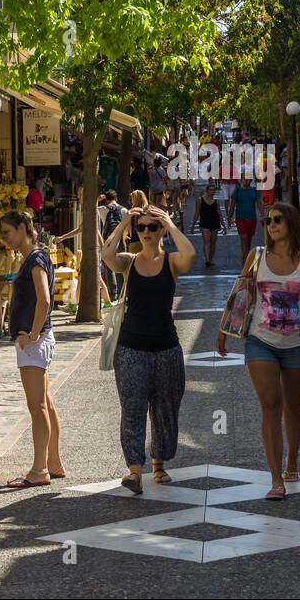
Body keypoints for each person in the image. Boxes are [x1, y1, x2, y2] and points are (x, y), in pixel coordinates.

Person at [215, 202, 300, 502]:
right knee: (270, 405)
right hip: (259, 340)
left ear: (290, 223)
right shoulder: (257, 256)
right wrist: (223, 329)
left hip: (297, 344)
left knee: (293, 406)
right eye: (268, 221)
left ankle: (292, 459)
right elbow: (241, 293)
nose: (272, 225)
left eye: (277, 220)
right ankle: (276, 479)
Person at [102, 204, 196, 493]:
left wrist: (169, 221)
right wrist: (123, 223)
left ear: (161, 231)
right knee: (132, 408)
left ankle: (159, 463)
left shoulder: (172, 262)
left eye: (151, 227)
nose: (145, 232)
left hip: (166, 347)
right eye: (140, 227)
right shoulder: (129, 261)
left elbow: (190, 254)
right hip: (130, 347)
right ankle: (134, 471)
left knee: (165, 409)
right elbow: (106, 255)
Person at [0, 210, 65, 487]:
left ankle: (39, 471)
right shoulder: (36, 256)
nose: (5, 240)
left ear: (23, 227)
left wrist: (33, 334)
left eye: (7, 233)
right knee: (45, 402)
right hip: (37, 340)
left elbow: (45, 301)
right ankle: (53, 463)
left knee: (37, 406)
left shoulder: (35, 258)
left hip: (34, 342)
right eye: (2, 236)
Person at [190, 182, 223, 266]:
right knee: (207, 242)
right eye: (210, 190)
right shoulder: (200, 200)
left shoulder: (216, 202)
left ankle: (211, 259)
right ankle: (207, 259)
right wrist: (193, 225)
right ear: (207, 191)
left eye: (213, 190)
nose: (212, 192)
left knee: (213, 242)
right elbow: (197, 213)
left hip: (215, 223)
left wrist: (224, 226)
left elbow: (219, 214)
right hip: (204, 222)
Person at [102, 190, 128, 297]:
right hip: (121, 240)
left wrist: (98, 199)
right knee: (123, 265)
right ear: (116, 199)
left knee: (110, 267)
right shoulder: (124, 210)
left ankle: (113, 294)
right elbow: (127, 227)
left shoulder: (102, 209)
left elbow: (90, 209)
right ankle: (123, 292)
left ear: (106, 200)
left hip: (109, 240)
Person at [232, 176, 261, 260]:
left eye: (247, 178)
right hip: (240, 217)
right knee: (243, 237)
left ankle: (246, 253)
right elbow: (232, 204)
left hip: (252, 217)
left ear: (251, 180)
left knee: (249, 238)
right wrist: (229, 217)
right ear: (241, 180)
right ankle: (245, 256)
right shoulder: (237, 190)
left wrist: (263, 216)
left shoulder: (255, 191)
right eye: (243, 178)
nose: (245, 180)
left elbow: (259, 204)